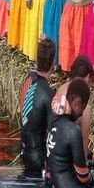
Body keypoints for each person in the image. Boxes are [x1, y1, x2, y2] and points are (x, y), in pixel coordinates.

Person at [19, 39, 56, 172]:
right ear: (53, 63)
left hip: (23, 153)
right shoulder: (48, 94)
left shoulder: (28, 79)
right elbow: (54, 135)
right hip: (38, 160)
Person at [52, 56, 94, 156]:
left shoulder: (61, 89)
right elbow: (83, 143)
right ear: (87, 77)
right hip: (65, 160)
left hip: (50, 151)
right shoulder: (84, 107)